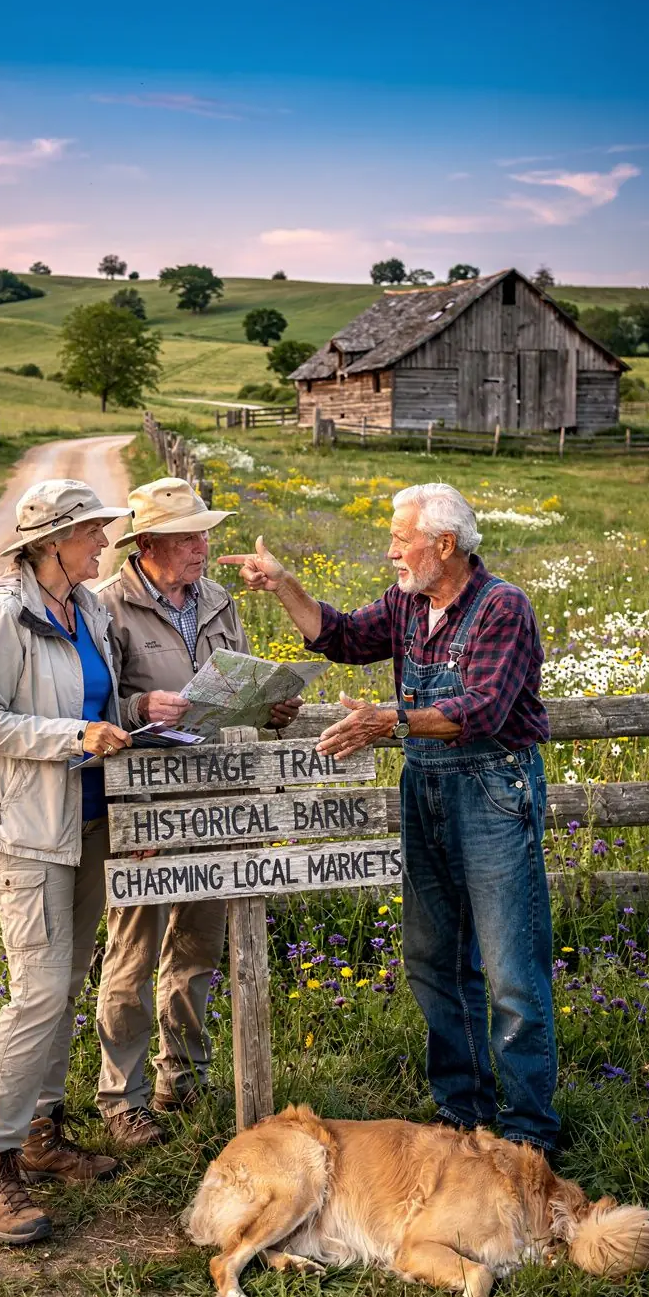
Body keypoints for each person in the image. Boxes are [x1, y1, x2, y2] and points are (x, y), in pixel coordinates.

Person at [220, 482, 560, 1156]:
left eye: (400, 541)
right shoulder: (408, 603)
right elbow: (340, 636)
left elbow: (483, 710)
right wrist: (285, 584)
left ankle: (527, 1135)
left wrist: (391, 721)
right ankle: (464, 1117)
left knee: (511, 970)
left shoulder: (502, 608)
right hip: (426, 788)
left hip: (492, 788)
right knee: (433, 958)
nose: (390, 553)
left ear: (443, 545)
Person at [94, 476, 301, 1147]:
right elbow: (88, 712)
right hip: (146, 807)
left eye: (205, 533)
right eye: (188, 537)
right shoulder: (107, 609)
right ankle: (120, 1099)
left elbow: (232, 685)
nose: (202, 547)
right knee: (133, 951)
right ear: (148, 544)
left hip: (216, 800)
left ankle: (180, 1076)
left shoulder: (216, 600)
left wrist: (270, 706)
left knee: (198, 948)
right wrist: (136, 710)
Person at [0, 479, 132, 1245]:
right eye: (93, 532)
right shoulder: (5, 613)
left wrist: (129, 724)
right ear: (53, 542)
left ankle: (42, 1134)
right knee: (35, 991)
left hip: (86, 820)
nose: (102, 544)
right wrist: (73, 737)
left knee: (65, 982)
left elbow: (100, 702)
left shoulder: (87, 608)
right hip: (26, 828)